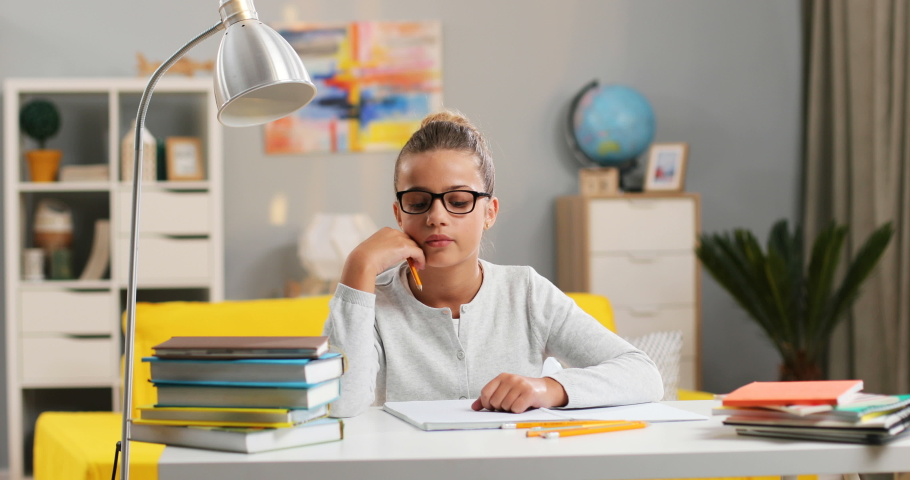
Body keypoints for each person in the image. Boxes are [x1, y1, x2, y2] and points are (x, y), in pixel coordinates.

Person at [324, 111, 663, 417]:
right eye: (418, 202)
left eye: (458, 201)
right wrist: (359, 265)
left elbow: (643, 374)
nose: (436, 217)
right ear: (399, 214)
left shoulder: (526, 293)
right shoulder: (374, 304)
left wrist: (548, 388)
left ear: (489, 212)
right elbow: (340, 402)